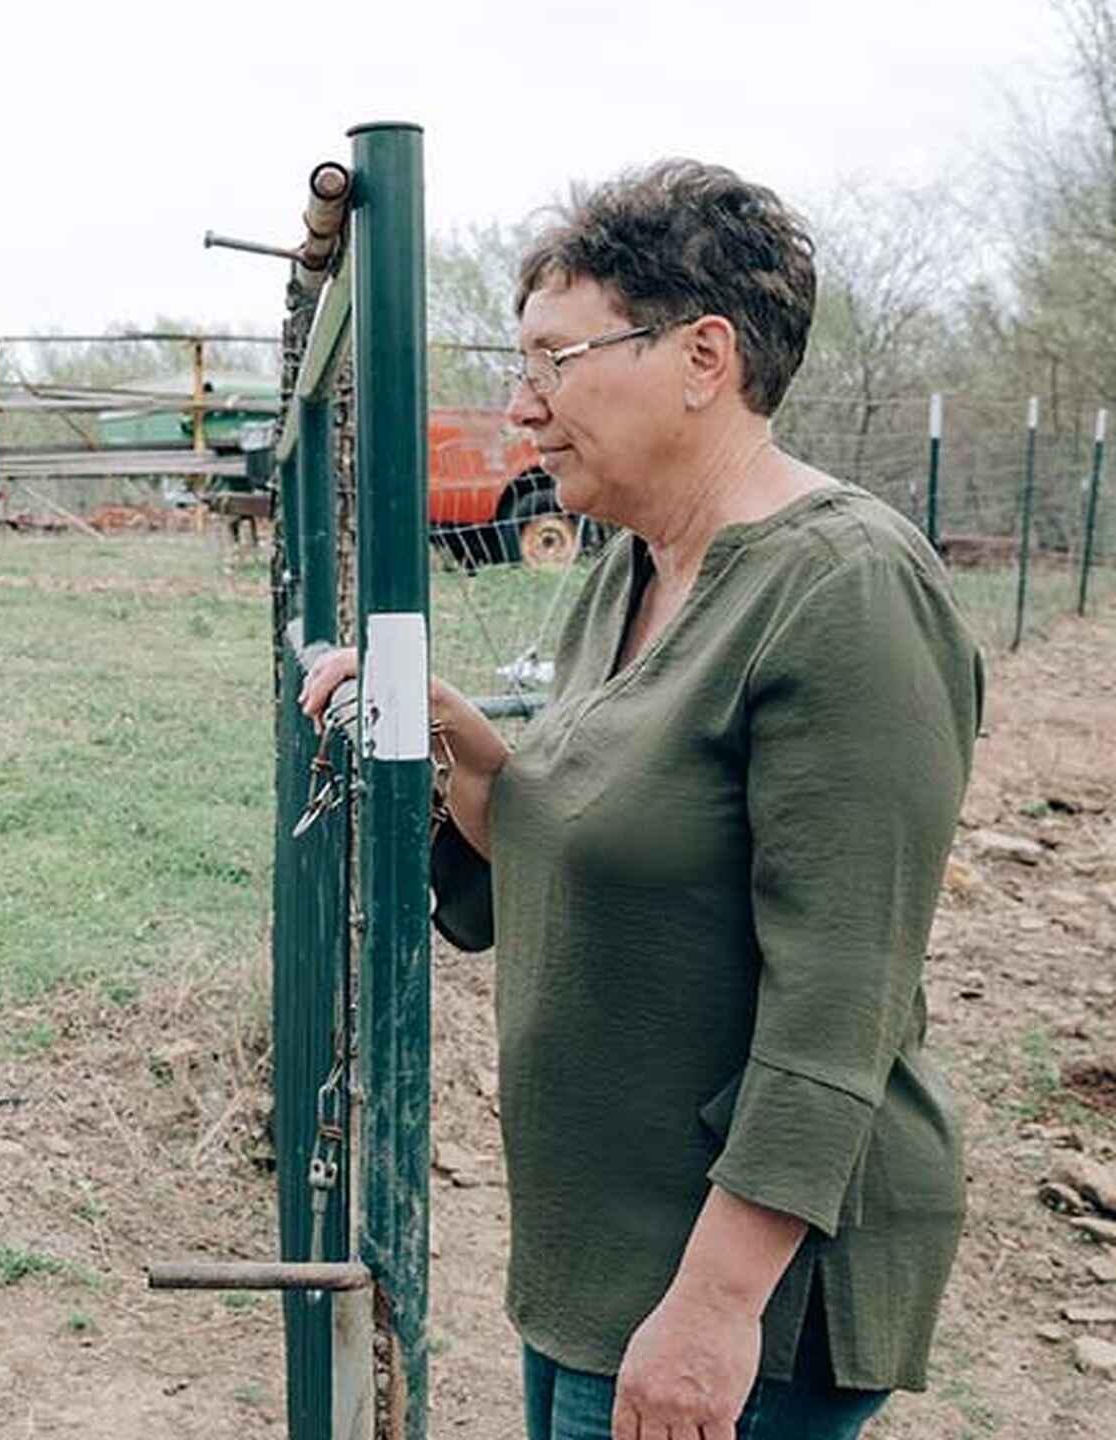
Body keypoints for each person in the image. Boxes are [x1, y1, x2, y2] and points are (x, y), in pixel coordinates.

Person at [303, 160, 980, 1440]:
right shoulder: (630, 569)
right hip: (604, 1255)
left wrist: (716, 1309)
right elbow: (605, 850)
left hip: (741, 1292)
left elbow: (843, 1003)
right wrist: (461, 755)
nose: (522, 407)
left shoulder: (845, 592)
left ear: (701, 355)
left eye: (555, 359)